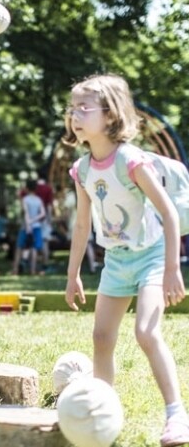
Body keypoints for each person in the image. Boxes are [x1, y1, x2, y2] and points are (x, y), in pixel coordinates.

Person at [63, 73, 189, 447]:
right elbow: (82, 224)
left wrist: (171, 269)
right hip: (116, 262)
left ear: (111, 114)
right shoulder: (81, 170)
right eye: (72, 108)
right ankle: (101, 412)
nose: (75, 114)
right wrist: (72, 276)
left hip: (151, 258)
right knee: (102, 337)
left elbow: (168, 214)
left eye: (84, 107)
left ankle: (177, 415)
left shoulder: (131, 160)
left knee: (146, 333)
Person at [12, 180, 46, 275]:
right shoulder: (39, 200)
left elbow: (26, 213)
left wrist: (28, 224)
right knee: (34, 249)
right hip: (36, 227)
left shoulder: (25, 199)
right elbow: (43, 213)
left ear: (26, 188)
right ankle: (32, 270)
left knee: (19, 248)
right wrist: (34, 220)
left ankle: (15, 270)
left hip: (25, 227)